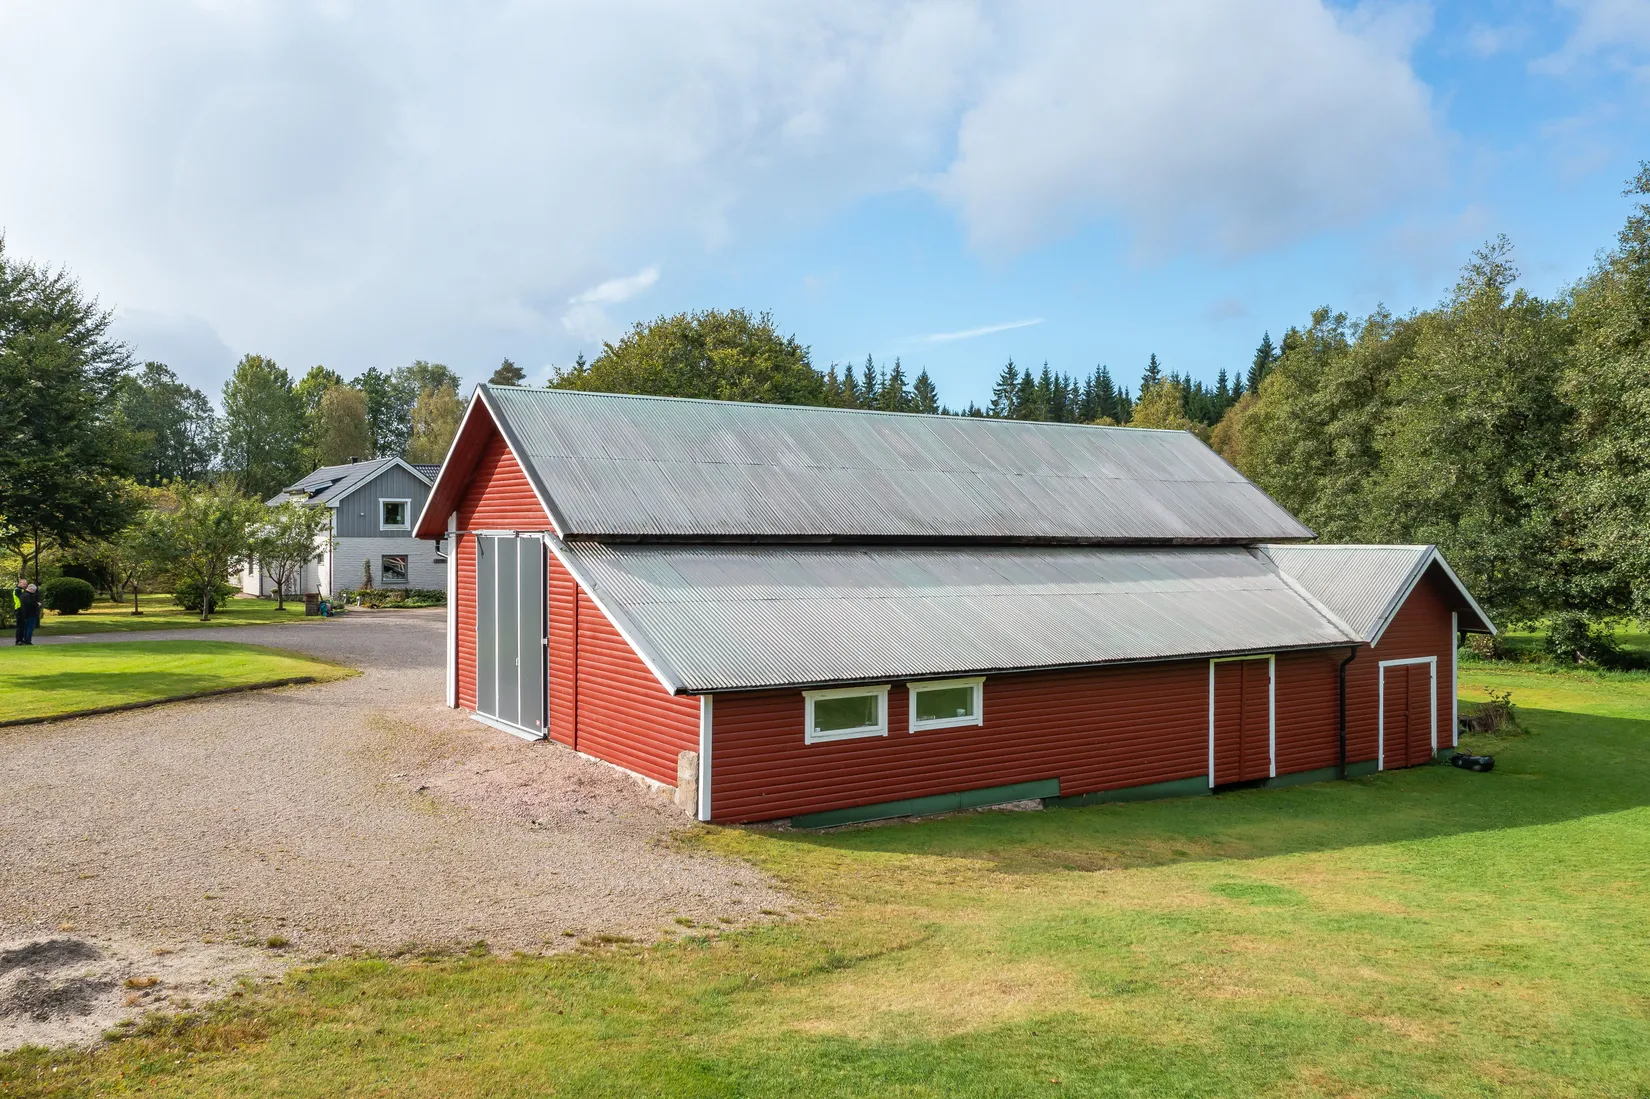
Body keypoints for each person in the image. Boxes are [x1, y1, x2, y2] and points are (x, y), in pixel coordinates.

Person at [10, 579, 24, 645]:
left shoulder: (21, 590)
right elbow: (22, 598)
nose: (25, 585)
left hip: (21, 609)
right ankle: (18, 640)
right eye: (24, 584)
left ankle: (21, 639)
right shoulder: (17, 590)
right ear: (20, 583)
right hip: (19, 609)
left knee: (22, 626)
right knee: (19, 626)